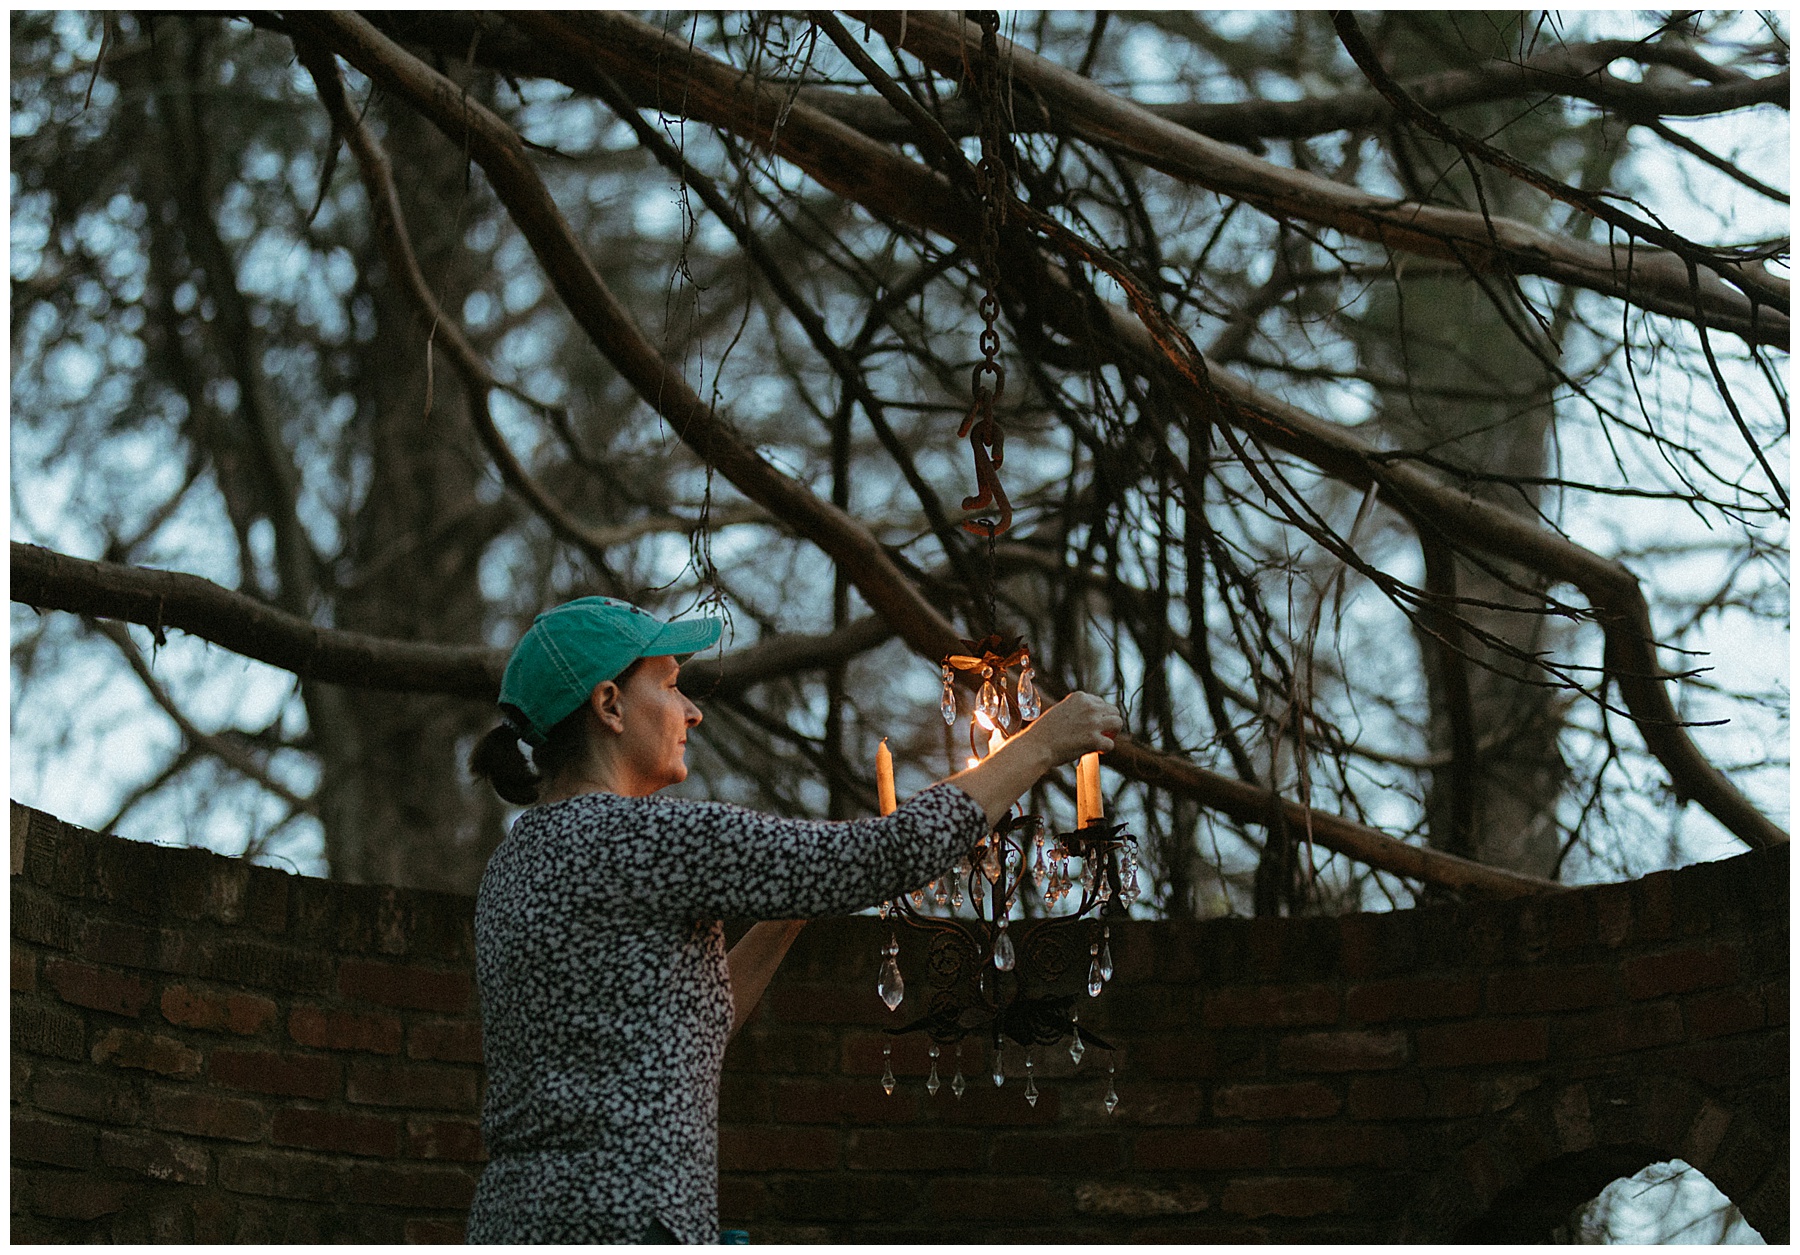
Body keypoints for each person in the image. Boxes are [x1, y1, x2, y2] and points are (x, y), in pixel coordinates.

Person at [463, 596, 1123, 1244]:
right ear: (609, 705)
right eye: (668, 685)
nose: (691, 710)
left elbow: (685, 1030)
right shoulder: (649, 836)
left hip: (511, 1221)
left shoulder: (512, 864)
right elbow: (887, 854)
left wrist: (788, 917)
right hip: (624, 1223)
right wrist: (1040, 745)